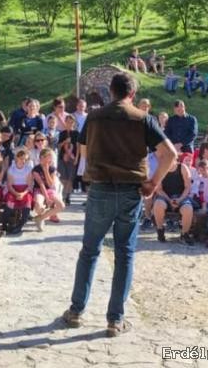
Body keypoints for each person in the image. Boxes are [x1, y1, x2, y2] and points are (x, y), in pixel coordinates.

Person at [63, 72, 176, 337]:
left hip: (100, 189)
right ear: (132, 94)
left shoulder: (93, 117)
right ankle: (115, 319)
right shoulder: (143, 119)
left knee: (90, 251)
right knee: (124, 253)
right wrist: (153, 183)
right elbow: (170, 154)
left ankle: (76, 311)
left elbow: (83, 153)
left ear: (110, 92)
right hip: (130, 192)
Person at [152, 155, 194, 245]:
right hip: (165, 196)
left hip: (181, 195)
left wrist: (179, 199)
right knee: (158, 204)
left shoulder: (182, 168)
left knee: (188, 208)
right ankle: (160, 229)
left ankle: (184, 233)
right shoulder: (160, 169)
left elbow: (187, 187)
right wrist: (169, 200)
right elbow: (159, 189)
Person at [1, 147, 34, 235]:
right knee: (9, 204)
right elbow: (9, 185)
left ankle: (19, 226)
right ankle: (4, 225)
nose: (23, 161)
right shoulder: (11, 169)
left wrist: (23, 193)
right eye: (21, 158)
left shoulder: (28, 169)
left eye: (25, 159)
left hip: (25, 190)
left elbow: (30, 185)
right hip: (13, 190)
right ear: (17, 158)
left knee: (27, 205)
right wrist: (16, 193)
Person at [33, 148, 65, 231]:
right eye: (49, 157)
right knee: (38, 206)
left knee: (61, 206)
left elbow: (51, 184)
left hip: (49, 190)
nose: (51, 159)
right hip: (39, 190)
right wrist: (47, 198)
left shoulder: (52, 169)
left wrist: (46, 171)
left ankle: (40, 218)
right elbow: (41, 184)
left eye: (51, 157)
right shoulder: (35, 169)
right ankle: (41, 216)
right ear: (42, 158)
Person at [58, 115, 80, 205]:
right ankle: (62, 196)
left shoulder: (77, 133)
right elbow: (59, 146)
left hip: (72, 158)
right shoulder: (62, 133)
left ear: (74, 123)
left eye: (72, 122)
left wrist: (76, 158)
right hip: (63, 158)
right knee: (63, 178)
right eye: (68, 122)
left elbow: (78, 147)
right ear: (65, 122)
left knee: (70, 178)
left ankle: (68, 196)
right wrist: (65, 141)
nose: (70, 124)